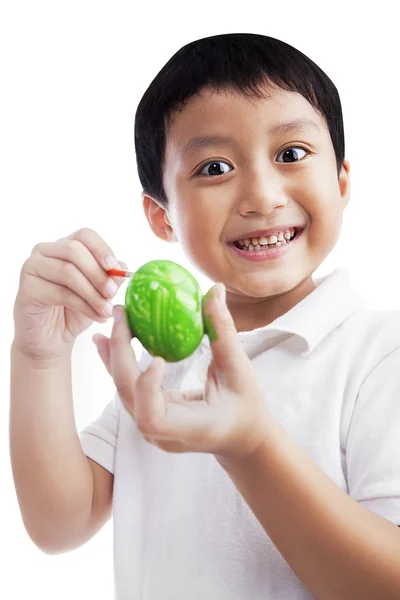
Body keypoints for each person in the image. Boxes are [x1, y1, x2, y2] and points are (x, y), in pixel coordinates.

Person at [10, 33, 400, 600]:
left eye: (291, 154)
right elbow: (56, 524)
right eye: (214, 167)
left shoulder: (379, 355)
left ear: (341, 182)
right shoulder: (162, 364)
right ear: (161, 216)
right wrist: (38, 355)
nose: (262, 195)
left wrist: (250, 446)